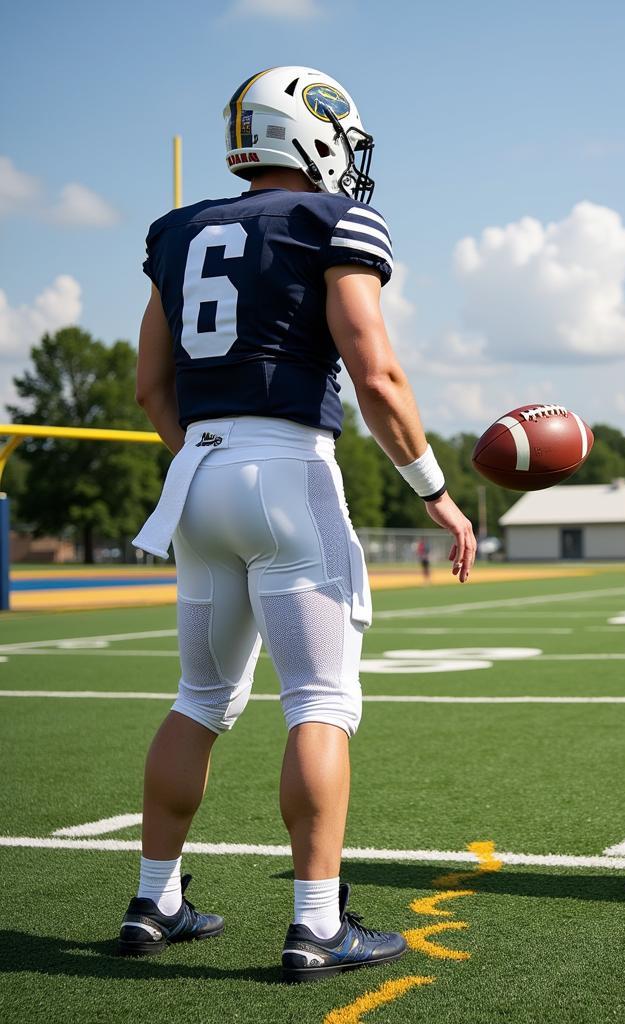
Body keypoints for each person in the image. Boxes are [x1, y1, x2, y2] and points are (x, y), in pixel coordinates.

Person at [119, 66, 476, 983]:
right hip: (287, 473)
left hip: (194, 473)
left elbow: (148, 385)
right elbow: (375, 370)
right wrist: (435, 490)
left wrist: (204, 452)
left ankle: (155, 899)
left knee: (200, 696)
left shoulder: (179, 230)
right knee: (320, 700)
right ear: (309, 135)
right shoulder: (331, 222)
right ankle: (317, 923)